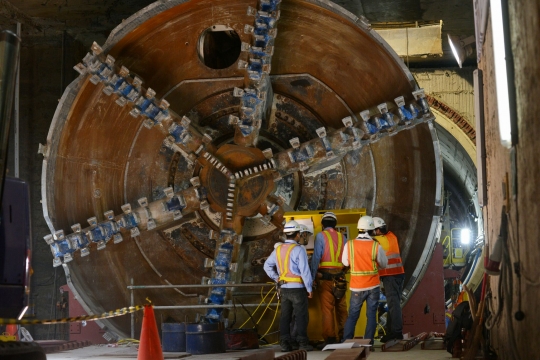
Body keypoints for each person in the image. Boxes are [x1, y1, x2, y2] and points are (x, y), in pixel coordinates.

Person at [264, 220, 314, 352]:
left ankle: (285, 344)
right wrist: (309, 288)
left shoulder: (278, 249)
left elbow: (266, 266)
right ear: (298, 234)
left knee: (285, 316)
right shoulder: (299, 249)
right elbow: (305, 271)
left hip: (284, 289)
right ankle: (302, 343)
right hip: (298, 289)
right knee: (301, 316)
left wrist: (277, 278)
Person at [341, 215, 387, 345]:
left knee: (353, 315)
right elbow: (384, 264)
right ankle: (369, 342)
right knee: (371, 315)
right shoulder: (375, 246)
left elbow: (344, 262)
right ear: (371, 230)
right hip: (373, 286)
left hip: (357, 287)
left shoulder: (349, 244)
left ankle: (346, 341)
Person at [310, 211, 348, 348]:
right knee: (342, 308)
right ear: (335, 224)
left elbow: (315, 259)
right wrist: (342, 272)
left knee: (327, 309)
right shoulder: (342, 236)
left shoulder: (320, 236)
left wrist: (313, 277)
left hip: (325, 278)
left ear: (323, 224)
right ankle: (345, 336)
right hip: (340, 278)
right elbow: (347, 259)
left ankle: (330, 339)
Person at [372, 217, 405, 343]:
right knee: (394, 303)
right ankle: (393, 331)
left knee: (393, 304)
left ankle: (396, 332)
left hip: (390, 275)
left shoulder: (379, 240)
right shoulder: (392, 236)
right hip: (399, 274)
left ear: (378, 230)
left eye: (373, 230)